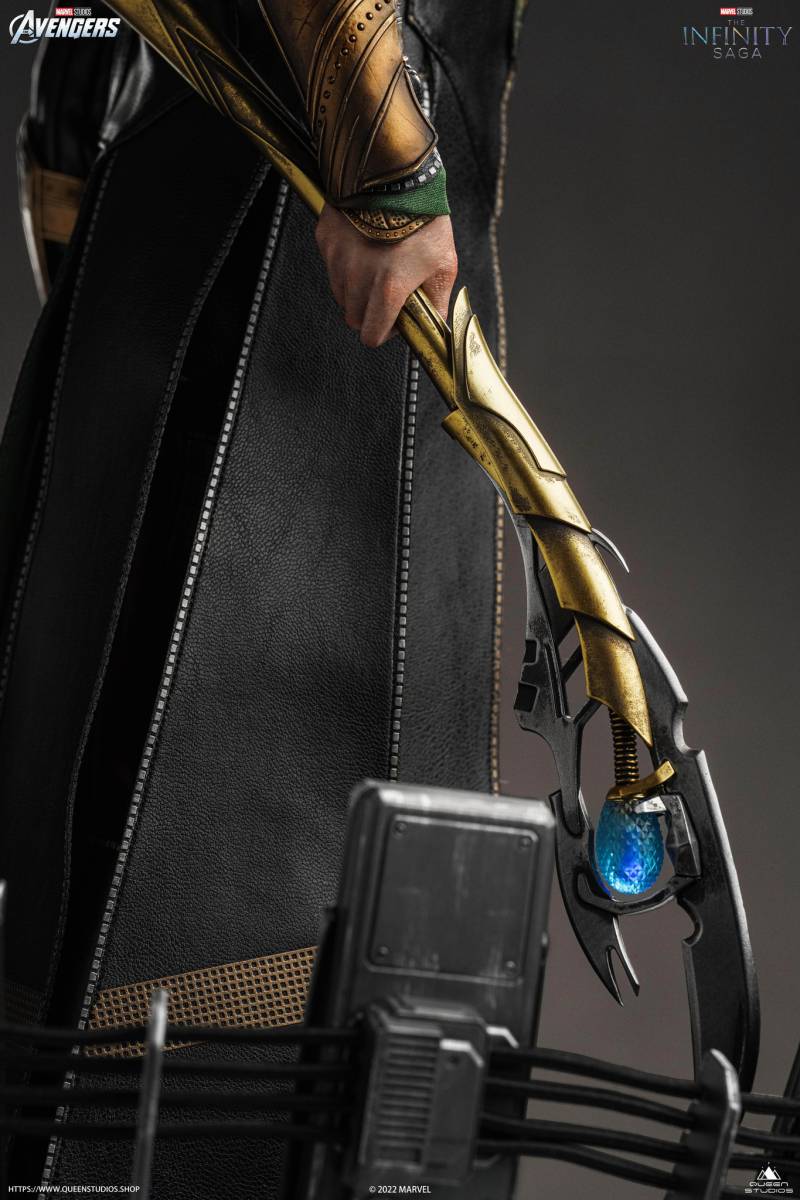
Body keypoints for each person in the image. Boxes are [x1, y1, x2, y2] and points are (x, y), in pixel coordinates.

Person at [0, 0, 526, 1191]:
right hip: (303, 244)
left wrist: (82, 191)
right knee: (254, 906)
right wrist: (385, 175)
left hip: (191, 225)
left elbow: (78, 74)